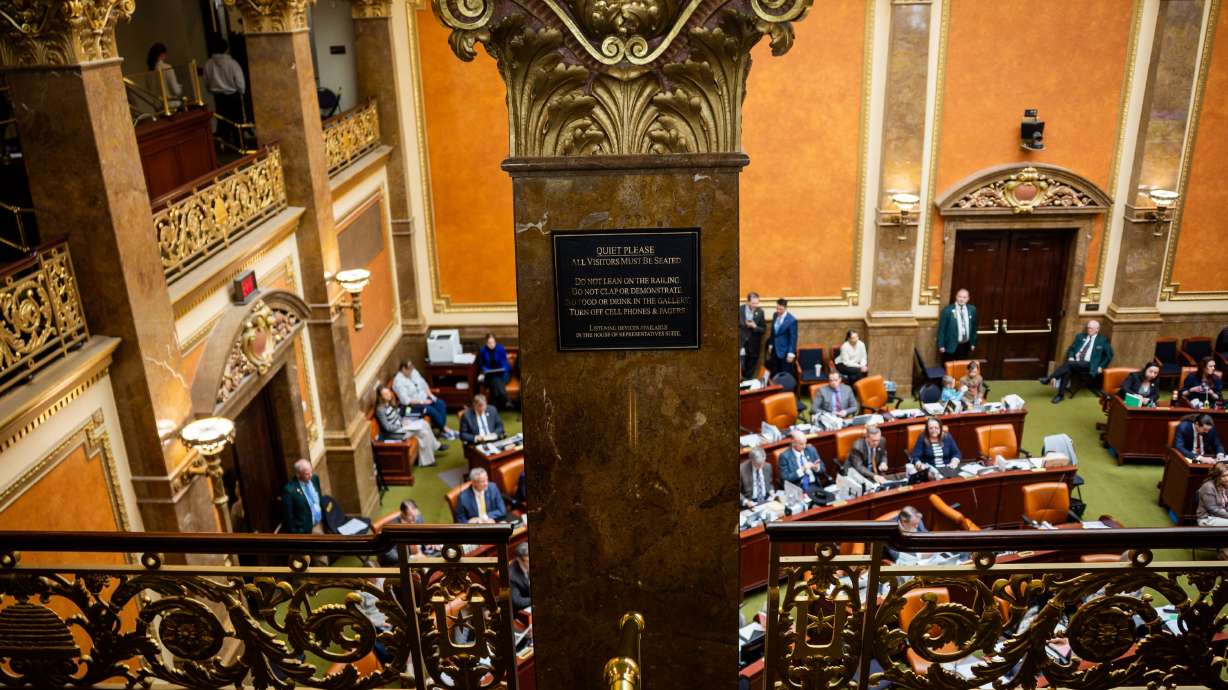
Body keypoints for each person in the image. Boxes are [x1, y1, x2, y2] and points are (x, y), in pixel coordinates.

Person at [1039, 320, 1113, 404]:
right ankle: (1060, 395)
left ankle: (1050, 378)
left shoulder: (1102, 340)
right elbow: (1072, 349)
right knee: (1067, 370)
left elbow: (1109, 355)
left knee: (1069, 365)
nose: (1089, 330)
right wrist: (1070, 357)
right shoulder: (1080, 336)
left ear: (1097, 329)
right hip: (1075, 363)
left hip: (1089, 365)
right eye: (1088, 328)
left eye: (1091, 329)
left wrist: (1101, 366)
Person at [375, 386, 444, 464]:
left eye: (389, 392)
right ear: (381, 397)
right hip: (394, 434)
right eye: (385, 394)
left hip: (401, 427)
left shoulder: (389, 403)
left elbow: (397, 417)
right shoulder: (380, 410)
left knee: (425, 423)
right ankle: (430, 456)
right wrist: (401, 425)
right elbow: (387, 427)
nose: (389, 395)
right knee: (423, 432)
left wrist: (404, 420)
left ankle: (432, 451)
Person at [393, 360, 457, 439]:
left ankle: (443, 430)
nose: (412, 371)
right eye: (409, 370)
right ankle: (446, 430)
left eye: (412, 368)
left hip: (425, 398)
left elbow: (424, 384)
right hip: (412, 406)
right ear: (403, 369)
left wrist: (431, 395)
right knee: (431, 410)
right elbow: (406, 401)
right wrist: (422, 401)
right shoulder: (398, 381)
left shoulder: (414, 372)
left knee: (440, 403)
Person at [204, 37, 247, 146]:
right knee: (237, 123)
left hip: (219, 98)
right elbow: (240, 82)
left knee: (223, 122)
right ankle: (240, 145)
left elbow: (207, 83)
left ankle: (226, 145)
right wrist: (241, 92)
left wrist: (212, 91)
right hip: (233, 96)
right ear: (226, 48)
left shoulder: (208, 64)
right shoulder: (232, 63)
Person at [777, 430, 829, 497]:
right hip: (798, 489)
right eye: (801, 444)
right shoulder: (785, 456)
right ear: (793, 442)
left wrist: (816, 468)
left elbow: (823, 469)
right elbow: (785, 479)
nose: (804, 446)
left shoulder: (811, 450)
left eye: (805, 443)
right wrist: (802, 470)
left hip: (814, 486)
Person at [379, 500, 429, 565]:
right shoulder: (392, 530)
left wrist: (430, 543)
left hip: (420, 553)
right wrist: (412, 558)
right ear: (403, 514)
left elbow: (423, 535)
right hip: (400, 563)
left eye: (416, 515)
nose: (415, 519)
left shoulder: (417, 517)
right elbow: (390, 555)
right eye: (411, 516)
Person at [283, 459, 325, 536]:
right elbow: (289, 517)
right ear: (298, 474)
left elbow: (319, 499)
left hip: (320, 523)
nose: (310, 475)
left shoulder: (314, 479)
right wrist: (297, 534)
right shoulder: (290, 490)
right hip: (306, 531)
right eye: (307, 474)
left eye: (311, 472)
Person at [937, 288, 977, 362]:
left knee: (961, 368)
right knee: (949, 369)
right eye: (960, 296)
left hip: (965, 345)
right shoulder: (947, 310)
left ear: (968, 299)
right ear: (956, 297)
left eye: (964, 297)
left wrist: (973, 343)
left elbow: (974, 328)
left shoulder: (972, 309)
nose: (961, 299)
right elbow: (942, 329)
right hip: (950, 345)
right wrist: (941, 345)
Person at [478, 333, 513, 409]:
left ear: (495, 342)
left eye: (493, 342)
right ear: (486, 343)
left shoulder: (500, 349)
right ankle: (505, 399)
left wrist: (503, 368)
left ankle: (494, 407)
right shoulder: (482, 351)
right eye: (489, 343)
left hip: (503, 375)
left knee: (495, 381)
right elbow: (481, 365)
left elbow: (505, 362)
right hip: (489, 376)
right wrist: (485, 370)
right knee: (494, 379)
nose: (491, 345)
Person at [765, 298, 797, 378]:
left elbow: (793, 338)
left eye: (780, 309)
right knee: (775, 372)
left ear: (785, 308)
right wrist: (771, 344)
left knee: (785, 373)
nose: (778, 311)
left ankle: (785, 390)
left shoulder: (792, 320)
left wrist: (791, 353)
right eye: (777, 308)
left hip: (785, 352)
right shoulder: (775, 315)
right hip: (775, 350)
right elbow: (773, 332)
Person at [739, 292, 767, 380]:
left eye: (757, 303)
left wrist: (755, 327)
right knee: (740, 367)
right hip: (740, 344)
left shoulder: (760, 312)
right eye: (753, 303)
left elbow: (763, 329)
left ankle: (747, 386)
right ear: (748, 302)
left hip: (754, 346)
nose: (755, 305)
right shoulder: (739, 310)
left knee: (750, 369)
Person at [509, 542, 532, 612]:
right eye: (528, 560)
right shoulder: (512, 576)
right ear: (519, 560)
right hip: (523, 610)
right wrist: (536, 599)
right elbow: (516, 601)